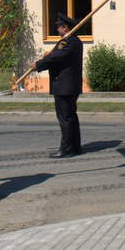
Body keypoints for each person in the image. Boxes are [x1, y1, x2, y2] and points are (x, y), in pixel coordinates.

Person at [34, 13, 83, 158]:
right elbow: (55, 55)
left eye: (58, 27)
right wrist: (48, 57)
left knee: (65, 118)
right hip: (69, 85)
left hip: (64, 86)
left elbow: (56, 57)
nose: (57, 29)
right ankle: (75, 146)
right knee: (70, 116)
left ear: (65, 28)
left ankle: (66, 148)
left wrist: (38, 65)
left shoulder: (68, 42)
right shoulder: (73, 41)